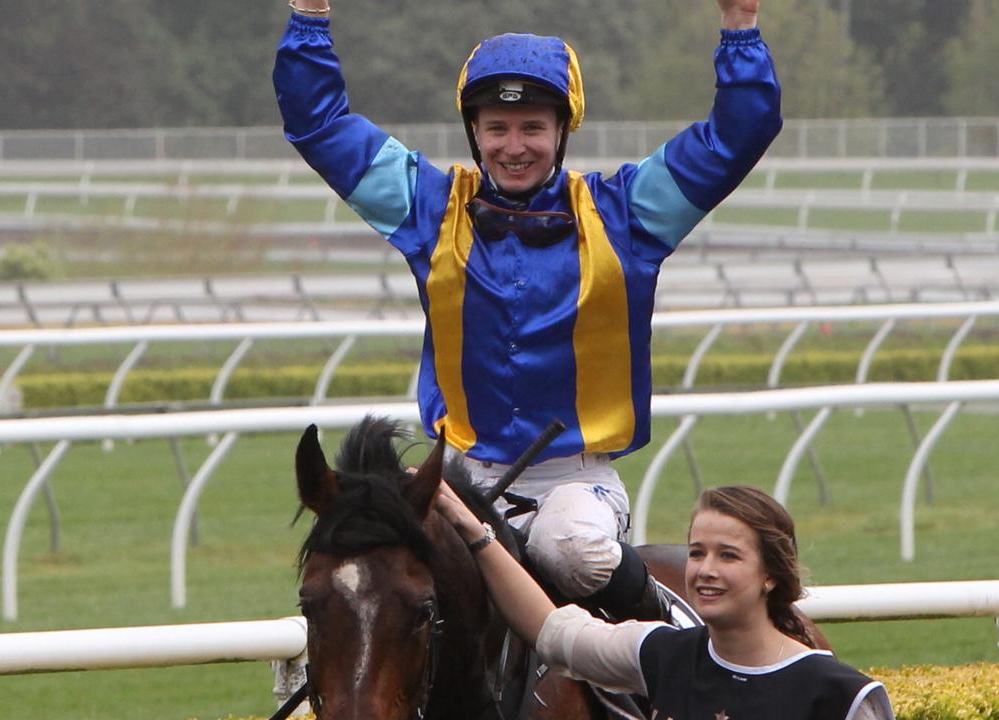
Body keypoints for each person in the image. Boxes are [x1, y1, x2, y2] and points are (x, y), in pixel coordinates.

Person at [274, 0, 781, 620]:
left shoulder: (629, 215)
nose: (514, 147)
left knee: (573, 553)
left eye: (533, 128)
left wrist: (740, 28)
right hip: (458, 472)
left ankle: (677, 645)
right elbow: (319, 125)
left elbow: (738, 135)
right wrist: (309, 18)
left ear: (562, 131)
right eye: (497, 129)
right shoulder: (431, 210)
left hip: (575, 482)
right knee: (362, 572)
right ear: (475, 133)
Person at [434, 483, 896, 719]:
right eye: (697, 553)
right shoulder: (661, 653)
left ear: (771, 575)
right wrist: (474, 531)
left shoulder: (843, 695)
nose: (705, 570)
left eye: (728, 556)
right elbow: (548, 631)